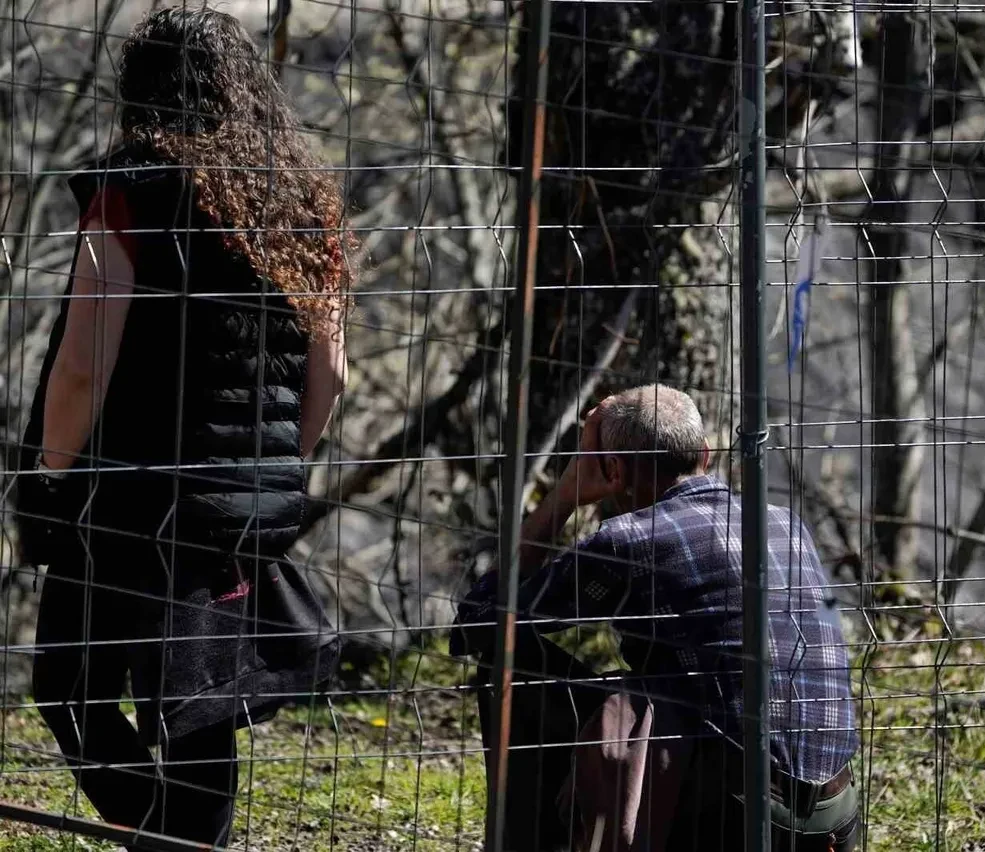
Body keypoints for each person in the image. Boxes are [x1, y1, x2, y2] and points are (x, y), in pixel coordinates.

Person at [14, 8, 350, 847]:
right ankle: (186, 839)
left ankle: (169, 838)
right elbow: (334, 373)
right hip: (238, 509)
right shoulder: (302, 203)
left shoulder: (131, 189)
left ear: (141, 90)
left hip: (127, 494)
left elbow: (85, 362)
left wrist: (52, 470)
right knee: (201, 702)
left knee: (70, 687)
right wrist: (270, 469)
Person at [451, 384, 860, 852]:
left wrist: (564, 496)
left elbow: (477, 626)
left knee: (508, 661)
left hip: (734, 814)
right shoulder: (786, 523)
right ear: (704, 453)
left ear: (612, 469)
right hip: (832, 815)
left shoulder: (631, 540)